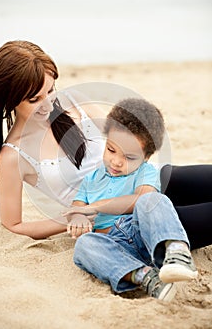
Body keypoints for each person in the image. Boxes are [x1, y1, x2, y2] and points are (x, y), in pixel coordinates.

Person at [0, 40, 211, 248]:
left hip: (150, 182)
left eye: (50, 90)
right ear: (10, 98)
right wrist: (70, 217)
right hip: (124, 221)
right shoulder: (13, 156)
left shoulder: (74, 101)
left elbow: (123, 142)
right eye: (34, 99)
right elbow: (14, 225)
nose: (48, 104)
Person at [63, 98, 198, 301]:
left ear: (145, 157)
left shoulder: (146, 172)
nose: (116, 161)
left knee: (152, 200)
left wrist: (96, 207)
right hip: (114, 244)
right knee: (84, 245)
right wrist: (77, 219)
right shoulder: (92, 179)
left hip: (142, 233)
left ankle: (176, 252)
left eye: (130, 157)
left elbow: (141, 199)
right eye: (111, 150)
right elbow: (77, 207)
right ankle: (144, 276)